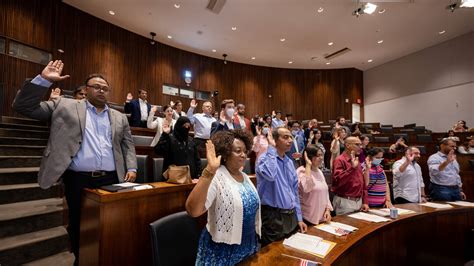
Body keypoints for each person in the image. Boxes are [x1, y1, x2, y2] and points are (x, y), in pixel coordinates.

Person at [12, 60, 137, 265]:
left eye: (105, 88)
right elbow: (23, 106)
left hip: (112, 179)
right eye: (96, 87)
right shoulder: (64, 105)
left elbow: (127, 145)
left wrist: (131, 167)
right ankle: (81, 259)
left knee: (111, 225)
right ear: (85, 90)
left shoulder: (119, 117)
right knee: (80, 225)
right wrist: (43, 80)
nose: (101, 91)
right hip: (78, 179)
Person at [185, 130, 260, 265]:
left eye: (245, 151)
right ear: (225, 154)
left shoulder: (245, 176)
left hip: (248, 247)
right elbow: (193, 210)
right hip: (222, 252)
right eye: (238, 151)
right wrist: (210, 170)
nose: (243, 155)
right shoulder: (217, 176)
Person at [256, 127, 307, 247]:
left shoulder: (289, 162)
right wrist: (271, 148)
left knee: (291, 253)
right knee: (274, 257)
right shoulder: (263, 159)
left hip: (291, 217)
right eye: (285, 137)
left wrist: (299, 218)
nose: (290, 140)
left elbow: (294, 192)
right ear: (274, 140)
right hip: (273, 218)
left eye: (291, 137)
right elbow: (270, 175)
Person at [332, 136, 369, 215]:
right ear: (348, 145)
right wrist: (352, 168)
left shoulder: (356, 159)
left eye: (360, 144)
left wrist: (365, 201)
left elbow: (362, 182)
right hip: (345, 202)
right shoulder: (339, 160)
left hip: (358, 202)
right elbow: (338, 181)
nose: (361, 147)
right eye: (357, 144)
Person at [297, 145, 332, 225]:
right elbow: (307, 188)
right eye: (317, 155)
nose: (321, 158)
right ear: (309, 157)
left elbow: (325, 193)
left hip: (322, 217)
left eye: (321, 155)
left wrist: (327, 209)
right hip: (307, 219)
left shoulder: (319, 171)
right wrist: (308, 165)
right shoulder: (301, 171)